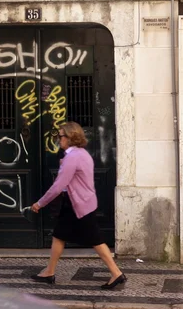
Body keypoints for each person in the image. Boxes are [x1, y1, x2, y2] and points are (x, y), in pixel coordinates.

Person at [30, 122, 126, 289]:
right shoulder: (82, 154)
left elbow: (58, 186)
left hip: (79, 205)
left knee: (95, 239)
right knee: (59, 235)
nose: (58, 140)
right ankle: (49, 272)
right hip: (76, 202)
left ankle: (116, 273)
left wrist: (40, 203)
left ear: (70, 137)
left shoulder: (73, 157)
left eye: (60, 136)